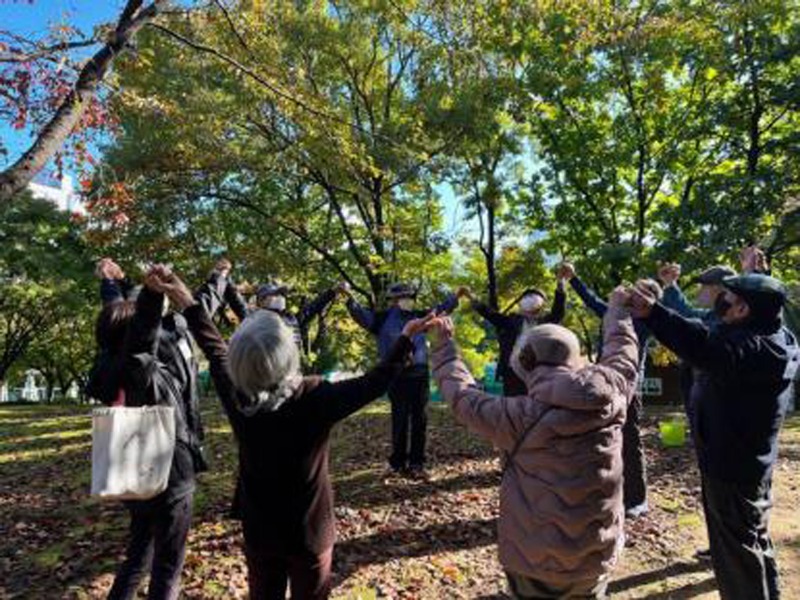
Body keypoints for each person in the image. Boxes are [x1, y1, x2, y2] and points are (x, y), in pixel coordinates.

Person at [149, 267, 431, 600]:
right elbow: (375, 382)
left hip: (260, 531)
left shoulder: (238, 394)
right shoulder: (315, 396)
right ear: (289, 353)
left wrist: (187, 302)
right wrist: (405, 340)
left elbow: (214, 348)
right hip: (309, 534)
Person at [426, 286, 639, 599]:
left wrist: (444, 346)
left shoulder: (516, 417)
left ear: (525, 362)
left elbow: (461, 396)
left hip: (533, 560)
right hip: (596, 554)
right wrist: (618, 310)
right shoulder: (614, 395)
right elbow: (623, 352)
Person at [628, 274, 799, 600]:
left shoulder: (745, 349)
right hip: (750, 463)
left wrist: (654, 313)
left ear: (742, 310)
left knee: (736, 556)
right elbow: (713, 335)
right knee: (753, 539)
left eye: (728, 297)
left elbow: (702, 344)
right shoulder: (780, 338)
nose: (721, 299)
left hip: (730, 468)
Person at [88, 261, 208, 600]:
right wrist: (153, 296)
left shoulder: (107, 361)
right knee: (168, 564)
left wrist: (112, 283)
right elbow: (140, 333)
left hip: (128, 472)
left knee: (139, 551)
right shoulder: (142, 370)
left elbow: (117, 317)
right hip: (168, 473)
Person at [558, 262, 660, 518]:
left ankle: (637, 499)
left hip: (629, 390)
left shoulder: (649, 321)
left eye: (640, 293)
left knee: (630, 442)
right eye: (633, 291)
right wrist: (573, 278)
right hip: (606, 385)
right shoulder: (614, 313)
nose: (633, 295)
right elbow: (592, 301)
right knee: (602, 439)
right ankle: (606, 491)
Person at [343, 282, 463, 475]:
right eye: (403, 297)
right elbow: (361, 315)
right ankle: (397, 463)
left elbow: (441, 310)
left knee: (419, 419)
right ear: (394, 300)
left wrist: (456, 297)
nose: (408, 300)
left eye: (410, 297)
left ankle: (417, 463)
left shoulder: (421, 317)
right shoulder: (382, 320)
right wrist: (349, 298)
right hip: (396, 376)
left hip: (420, 374)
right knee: (399, 419)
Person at [463, 279, 566, 396]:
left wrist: (561, 284)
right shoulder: (512, 320)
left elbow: (558, 313)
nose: (530, 300)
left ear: (541, 306)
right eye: (527, 297)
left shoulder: (546, 323)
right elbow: (491, 314)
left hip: (536, 373)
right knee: (512, 407)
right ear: (521, 304)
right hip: (512, 371)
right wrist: (472, 297)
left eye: (534, 297)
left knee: (534, 407)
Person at [255, 280, 340, 359]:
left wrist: (332, 292)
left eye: (282, 294)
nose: (280, 298)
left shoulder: (290, 319)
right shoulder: (256, 324)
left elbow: (312, 308)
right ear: (261, 301)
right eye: (275, 294)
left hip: (293, 370)